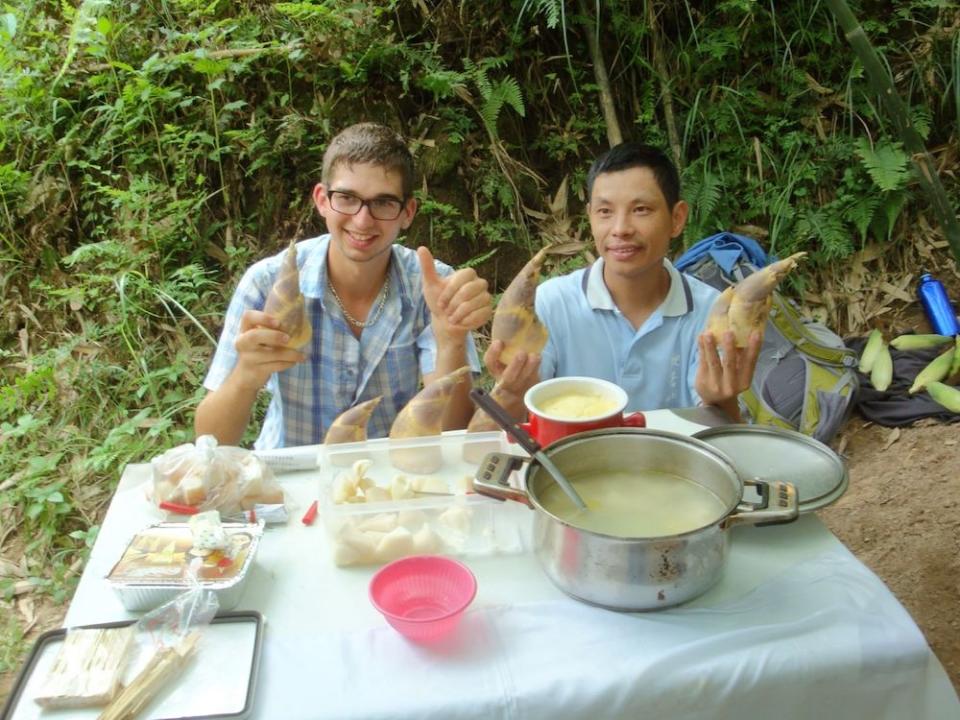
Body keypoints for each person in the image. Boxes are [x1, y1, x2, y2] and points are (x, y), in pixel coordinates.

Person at [196, 122, 492, 449]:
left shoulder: (431, 287)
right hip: (292, 475)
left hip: (389, 477)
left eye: (383, 203)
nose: (363, 220)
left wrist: (450, 340)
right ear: (322, 200)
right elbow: (210, 441)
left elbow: (452, 432)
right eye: (347, 198)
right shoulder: (266, 283)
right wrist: (246, 375)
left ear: (407, 212)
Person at [485, 142, 761, 422]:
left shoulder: (712, 311)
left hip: (672, 463)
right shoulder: (551, 304)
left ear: (677, 219)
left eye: (640, 209)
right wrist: (511, 392)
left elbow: (724, 437)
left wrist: (721, 400)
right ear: (591, 216)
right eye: (605, 212)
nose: (620, 229)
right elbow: (521, 424)